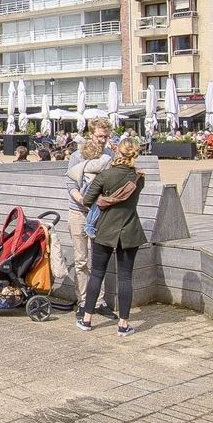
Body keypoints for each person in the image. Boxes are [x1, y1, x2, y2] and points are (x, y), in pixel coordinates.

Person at [79, 138, 147, 333]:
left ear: (118, 152)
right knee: (125, 278)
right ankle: (123, 324)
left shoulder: (105, 175)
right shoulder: (138, 178)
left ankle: (87, 319)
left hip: (105, 230)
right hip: (129, 229)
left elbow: (87, 200)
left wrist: (104, 199)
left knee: (97, 274)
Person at [63, 126, 113, 303]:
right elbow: (70, 184)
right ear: (91, 134)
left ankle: (99, 301)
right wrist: (84, 201)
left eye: (106, 136)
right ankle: (83, 301)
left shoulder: (109, 155)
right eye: (99, 136)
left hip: (101, 212)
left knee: (99, 260)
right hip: (79, 212)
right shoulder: (77, 155)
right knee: (81, 260)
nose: (103, 139)